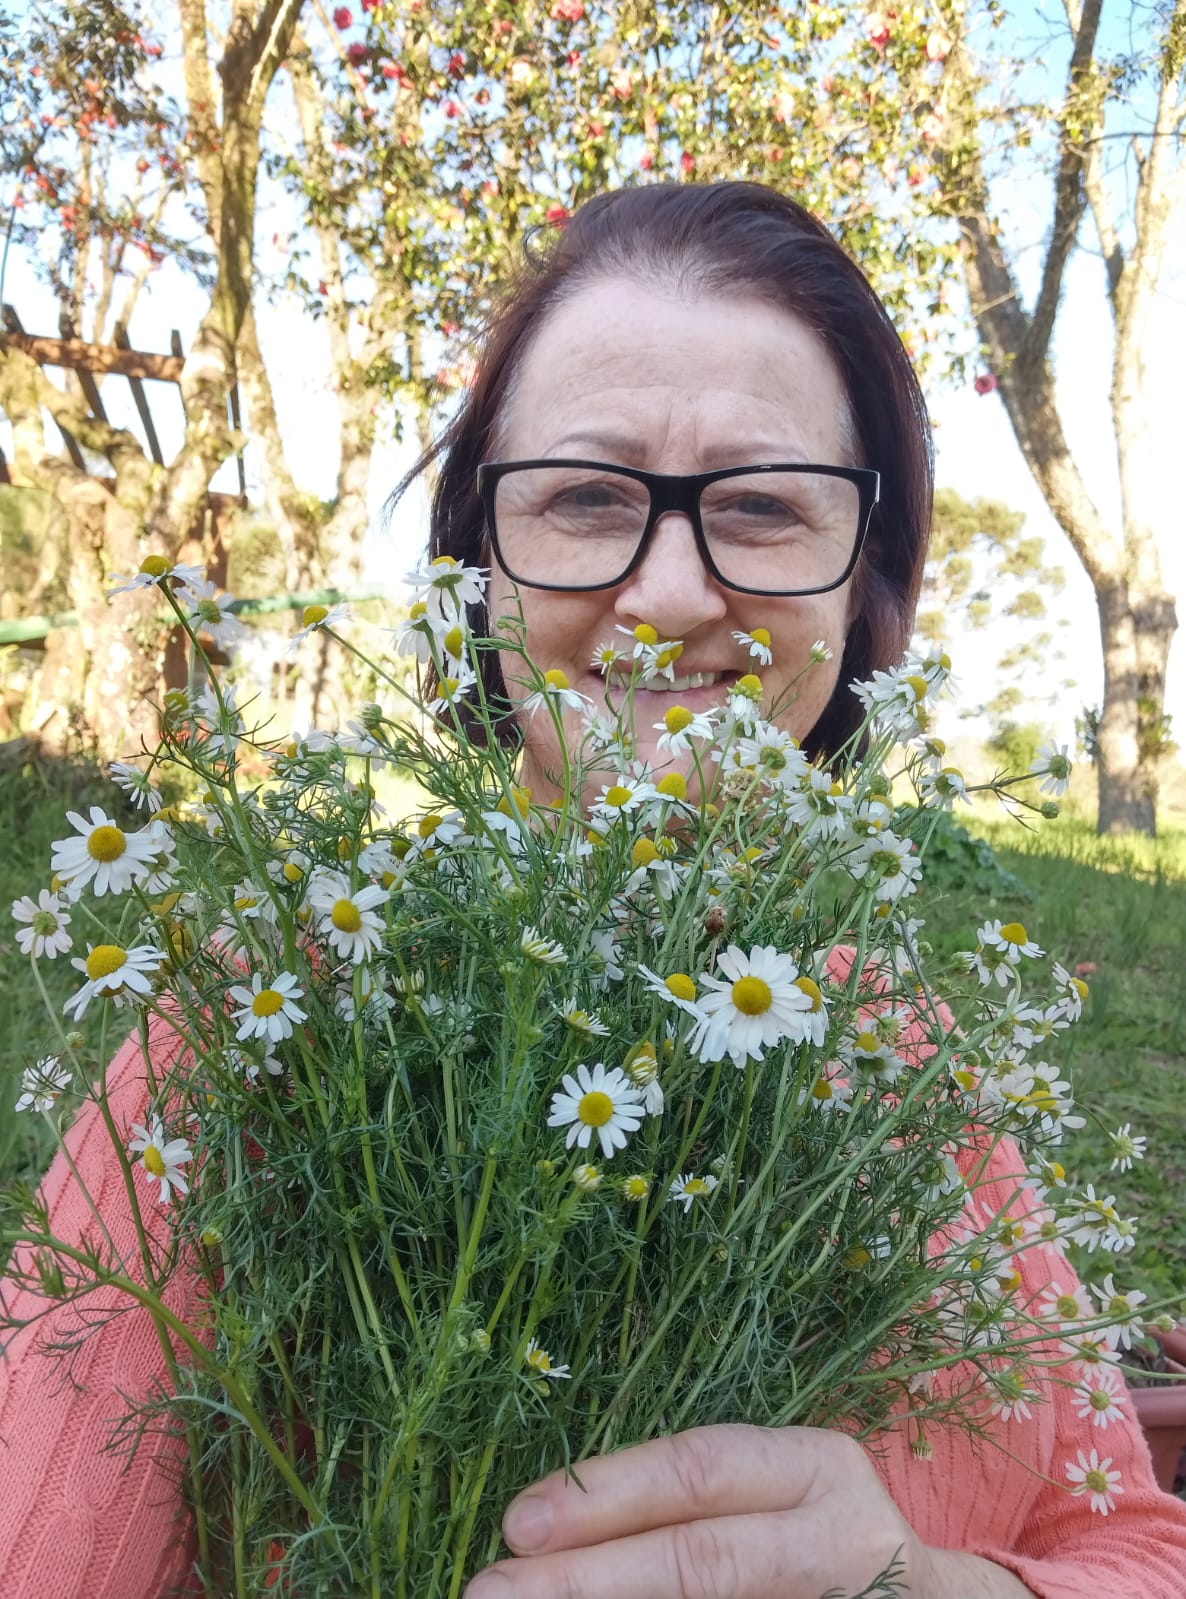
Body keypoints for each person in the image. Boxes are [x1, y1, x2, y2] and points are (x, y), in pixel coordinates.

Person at [2, 181, 1184, 1599]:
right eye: (581, 498)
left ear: (862, 585)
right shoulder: (257, 1032)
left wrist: (927, 1585)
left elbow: (1125, 1539)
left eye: (760, 506)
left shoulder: (907, 1058)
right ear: (475, 572)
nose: (673, 594)